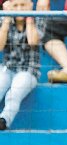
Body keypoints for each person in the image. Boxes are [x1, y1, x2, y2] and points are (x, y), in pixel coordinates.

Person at [0, 0, 44, 130]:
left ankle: (4, 120)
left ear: (30, 5)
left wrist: (29, 17)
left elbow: (33, 41)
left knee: (14, 93)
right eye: (15, 6)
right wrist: (7, 19)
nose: (19, 8)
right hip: (7, 68)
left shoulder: (38, 19)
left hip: (29, 70)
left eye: (23, 5)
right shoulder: (4, 20)